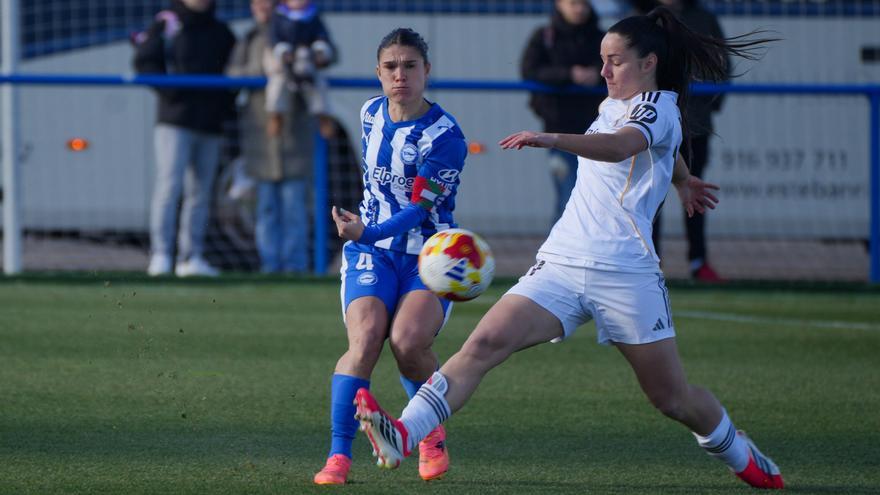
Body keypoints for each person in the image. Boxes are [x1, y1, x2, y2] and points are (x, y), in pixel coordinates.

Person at [354, 8, 784, 490]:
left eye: (615, 61)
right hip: (560, 263)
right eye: (602, 60)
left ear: (649, 62)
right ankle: (403, 435)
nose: (604, 71)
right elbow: (660, 145)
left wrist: (553, 138)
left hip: (625, 275)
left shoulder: (657, 106)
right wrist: (682, 179)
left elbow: (625, 145)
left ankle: (738, 449)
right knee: (483, 344)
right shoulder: (614, 103)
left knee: (673, 400)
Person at [312, 28, 469, 485]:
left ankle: (429, 431)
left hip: (429, 255)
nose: (400, 75)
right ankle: (339, 457)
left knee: (407, 344)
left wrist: (369, 230)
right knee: (363, 342)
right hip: (370, 253)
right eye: (390, 67)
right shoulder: (369, 114)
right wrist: (367, 236)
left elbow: (420, 209)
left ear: (427, 71)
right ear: (378, 73)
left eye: (410, 66)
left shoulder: (445, 137)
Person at [133, 0, 236, 277]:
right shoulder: (167, 23)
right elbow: (145, 62)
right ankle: (161, 255)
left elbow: (232, 73)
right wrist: (173, 94)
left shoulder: (221, 30)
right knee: (169, 187)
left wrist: (222, 106)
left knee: (200, 193)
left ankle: (191, 257)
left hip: (209, 123)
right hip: (175, 121)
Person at [227, 0, 313, 273]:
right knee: (265, 208)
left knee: (294, 207)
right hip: (261, 137)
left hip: (293, 135)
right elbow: (230, 74)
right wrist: (259, 73)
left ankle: (295, 266)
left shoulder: (300, 29)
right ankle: (270, 265)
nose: (262, 6)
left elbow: (325, 57)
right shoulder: (249, 38)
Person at [651, 0, 729, 281]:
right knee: (650, 197)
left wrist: (705, 106)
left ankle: (698, 261)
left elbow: (722, 65)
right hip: (654, 129)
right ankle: (650, 261)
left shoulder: (704, 19)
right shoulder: (644, 17)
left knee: (694, 194)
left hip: (694, 126)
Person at [521, 0, 605, 225]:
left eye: (584, 4)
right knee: (568, 196)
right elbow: (529, 71)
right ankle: (556, 255)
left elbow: (617, 66)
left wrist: (597, 75)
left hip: (597, 130)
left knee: (596, 199)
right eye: (573, 3)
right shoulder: (544, 36)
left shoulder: (601, 37)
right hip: (559, 128)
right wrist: (569, 74)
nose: (579, 9)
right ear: (559, 4)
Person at [265, 0, 336, 136]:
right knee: (277, 82)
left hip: (307, 59)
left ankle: (323, 115)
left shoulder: (313, 16)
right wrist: (283, 52)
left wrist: (320, 50)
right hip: (285, 62)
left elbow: (322, 36)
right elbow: (274, 38)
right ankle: (276, 114)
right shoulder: (279, 16)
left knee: (318, 84)